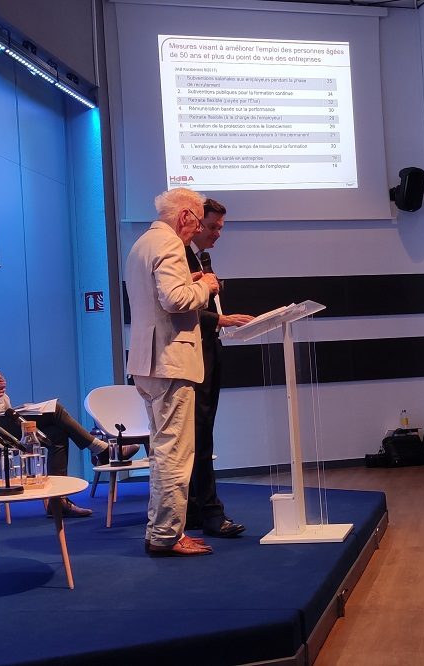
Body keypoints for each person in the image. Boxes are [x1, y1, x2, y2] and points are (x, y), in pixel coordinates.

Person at [0, 326, 134, 517]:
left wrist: (1, 394)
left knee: (57, 433)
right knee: (56, 410)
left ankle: (58, 502)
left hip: (3, 420)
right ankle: (100, 449)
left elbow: (3, 407)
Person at [125, 187, 220, 557]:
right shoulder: (168, 245)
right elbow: (175, 299)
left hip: (149, 361)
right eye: (196, 224)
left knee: (164, 449)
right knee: (175, 453)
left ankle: (161, 530)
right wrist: (205, 286)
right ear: (184, 216)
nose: (196, 232)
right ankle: (166, 535)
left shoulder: (141, 244)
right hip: (170, 360)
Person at [184, 198, 254, 538]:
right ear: (195, 223)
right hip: (193, 359)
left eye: (219, 228)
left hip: (209, 352)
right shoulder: (177, 254)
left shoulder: (197, 259)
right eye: (210, 227)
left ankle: (195, 509)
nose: (215, 234)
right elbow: (177, 308)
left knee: (202, 435)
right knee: (198, 436)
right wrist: (220, 319)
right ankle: (209, 512)